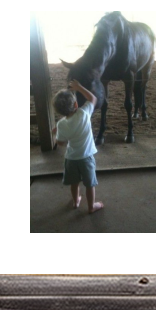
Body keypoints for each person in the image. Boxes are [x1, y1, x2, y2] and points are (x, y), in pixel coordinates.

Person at [52, 80, 104, 214]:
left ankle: (76, 202)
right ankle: (92, 207)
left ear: (59, 111)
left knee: (74, 183)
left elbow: (61, 143)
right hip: (86, 158)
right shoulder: (83, 113)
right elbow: (93, 98)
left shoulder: (61, 124)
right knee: (89, 184)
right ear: (76, 104)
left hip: (71, 159)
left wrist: (58, 132)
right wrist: (79, 87)